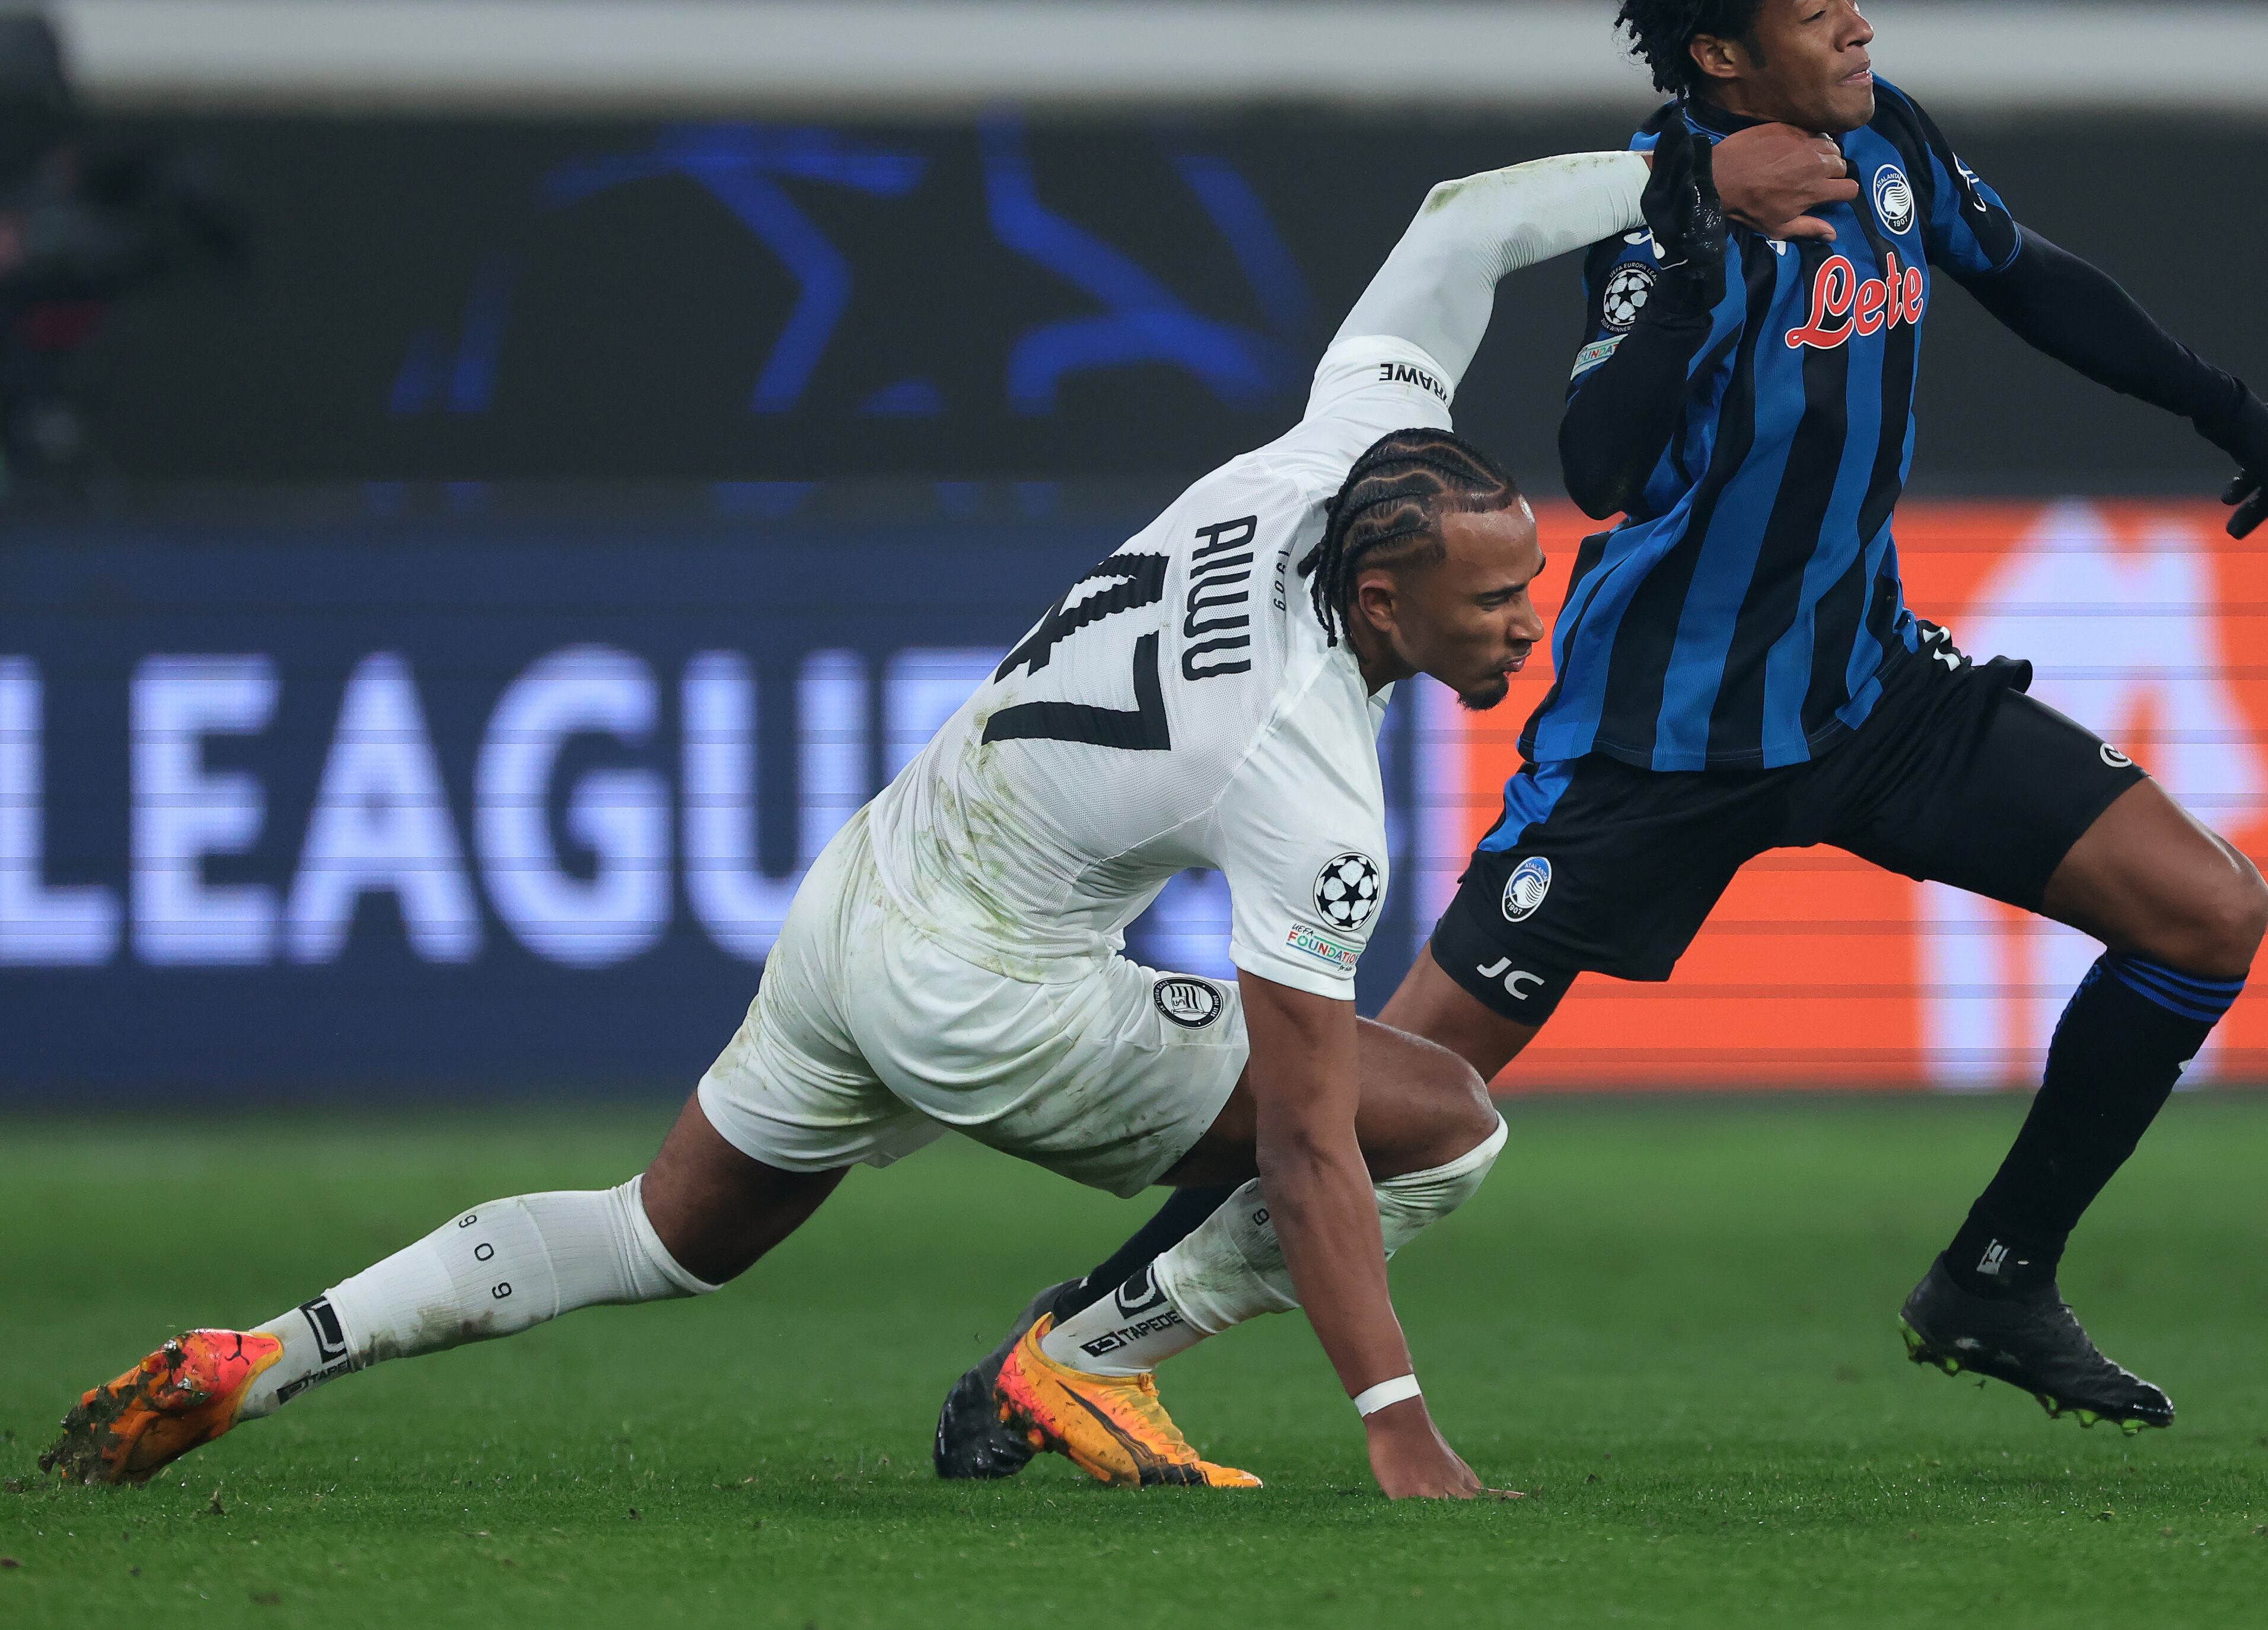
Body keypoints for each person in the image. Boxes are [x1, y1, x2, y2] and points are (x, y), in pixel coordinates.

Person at [41, 128, 1832, 1501]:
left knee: (667, 1232)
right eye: (1491, 598)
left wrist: (1682, 178)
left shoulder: (1331, 453)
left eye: (1529, 578)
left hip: (870, 890)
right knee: (1434, 1122)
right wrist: (1398, 1425)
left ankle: (266, 1351)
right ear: (1381, 610)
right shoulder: (1301, 772)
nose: (1527, 611)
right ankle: (1089, 1358)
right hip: (992, 983)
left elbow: (1458, 224)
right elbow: (1306, 1150)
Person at [983, 0, 2268, 1447]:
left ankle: (1996, 1274)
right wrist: (1694, 249)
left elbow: (2026, 275)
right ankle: (1068, 1343)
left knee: (2206, 909)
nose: (1856, 17)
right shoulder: (1651, 208)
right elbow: (1603, 461)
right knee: (1363, 1098)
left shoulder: (1887, 134)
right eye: (1814, 0)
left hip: (1871, 691)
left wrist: (2227, 408)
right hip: (1654, 741)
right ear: (1720, 54)